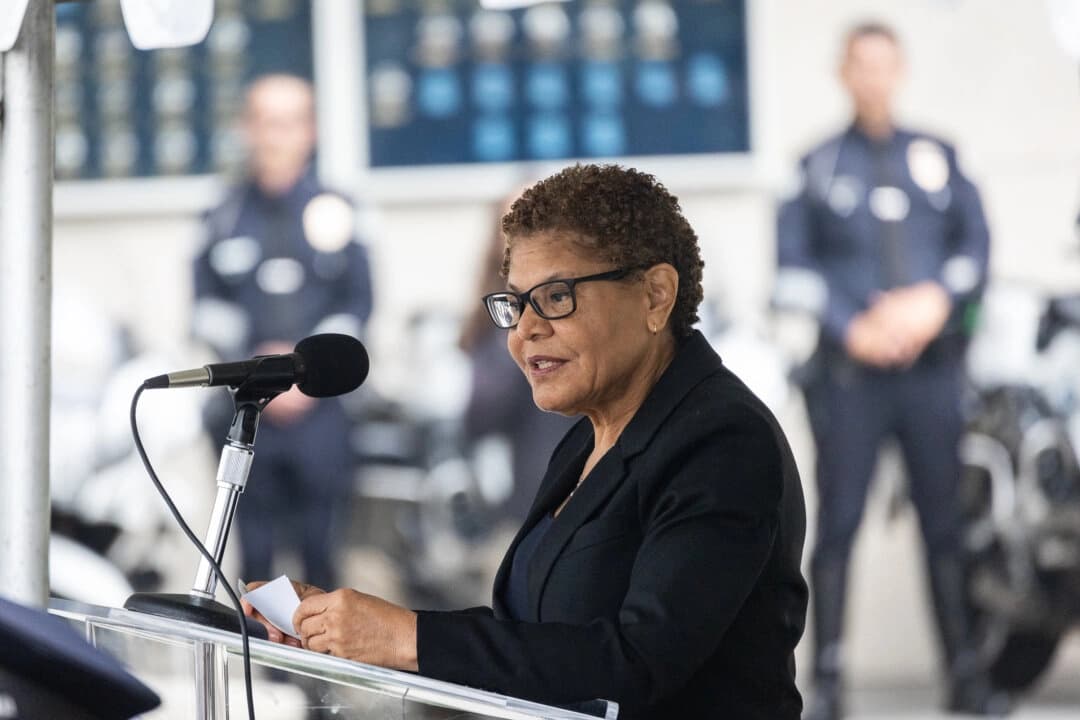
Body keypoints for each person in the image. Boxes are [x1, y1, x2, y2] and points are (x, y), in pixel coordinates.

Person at [245, 163, 809, 719]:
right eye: (515, 303)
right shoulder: (587, 439)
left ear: (656, 296)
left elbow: (640, 661)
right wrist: (353, 629)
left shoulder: (722, 442)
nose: (524, 330)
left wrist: (409, 637)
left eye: (557, 297)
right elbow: (534, 639)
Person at [774, 23, 1005, 719]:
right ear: (844, 72)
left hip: (932, 374)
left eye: (884, 65)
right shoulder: (817, 164)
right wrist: (856, 326)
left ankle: (968, 678)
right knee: (837, 525)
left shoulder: (937, 155)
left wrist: (935, 301)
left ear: (899, 71)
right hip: (850, 379)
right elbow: (791, 269)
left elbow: (975, 249)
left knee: (946, 522)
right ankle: (828, 686)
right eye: (860, 65)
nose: (873, 77)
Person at [193, 74, 373, 591]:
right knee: (254, 555)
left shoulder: (339, 210)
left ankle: (317, 669)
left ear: (310, 131)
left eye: (291, 122)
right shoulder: (221, 214)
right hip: (249, 409)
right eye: (267, 122)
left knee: (321, 552)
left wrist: (301, 367)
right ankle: (262, 666)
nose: (278, 136)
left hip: (321, 409)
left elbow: (359, 303)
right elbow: (204, 306)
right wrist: (258, 360)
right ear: (247, 129)